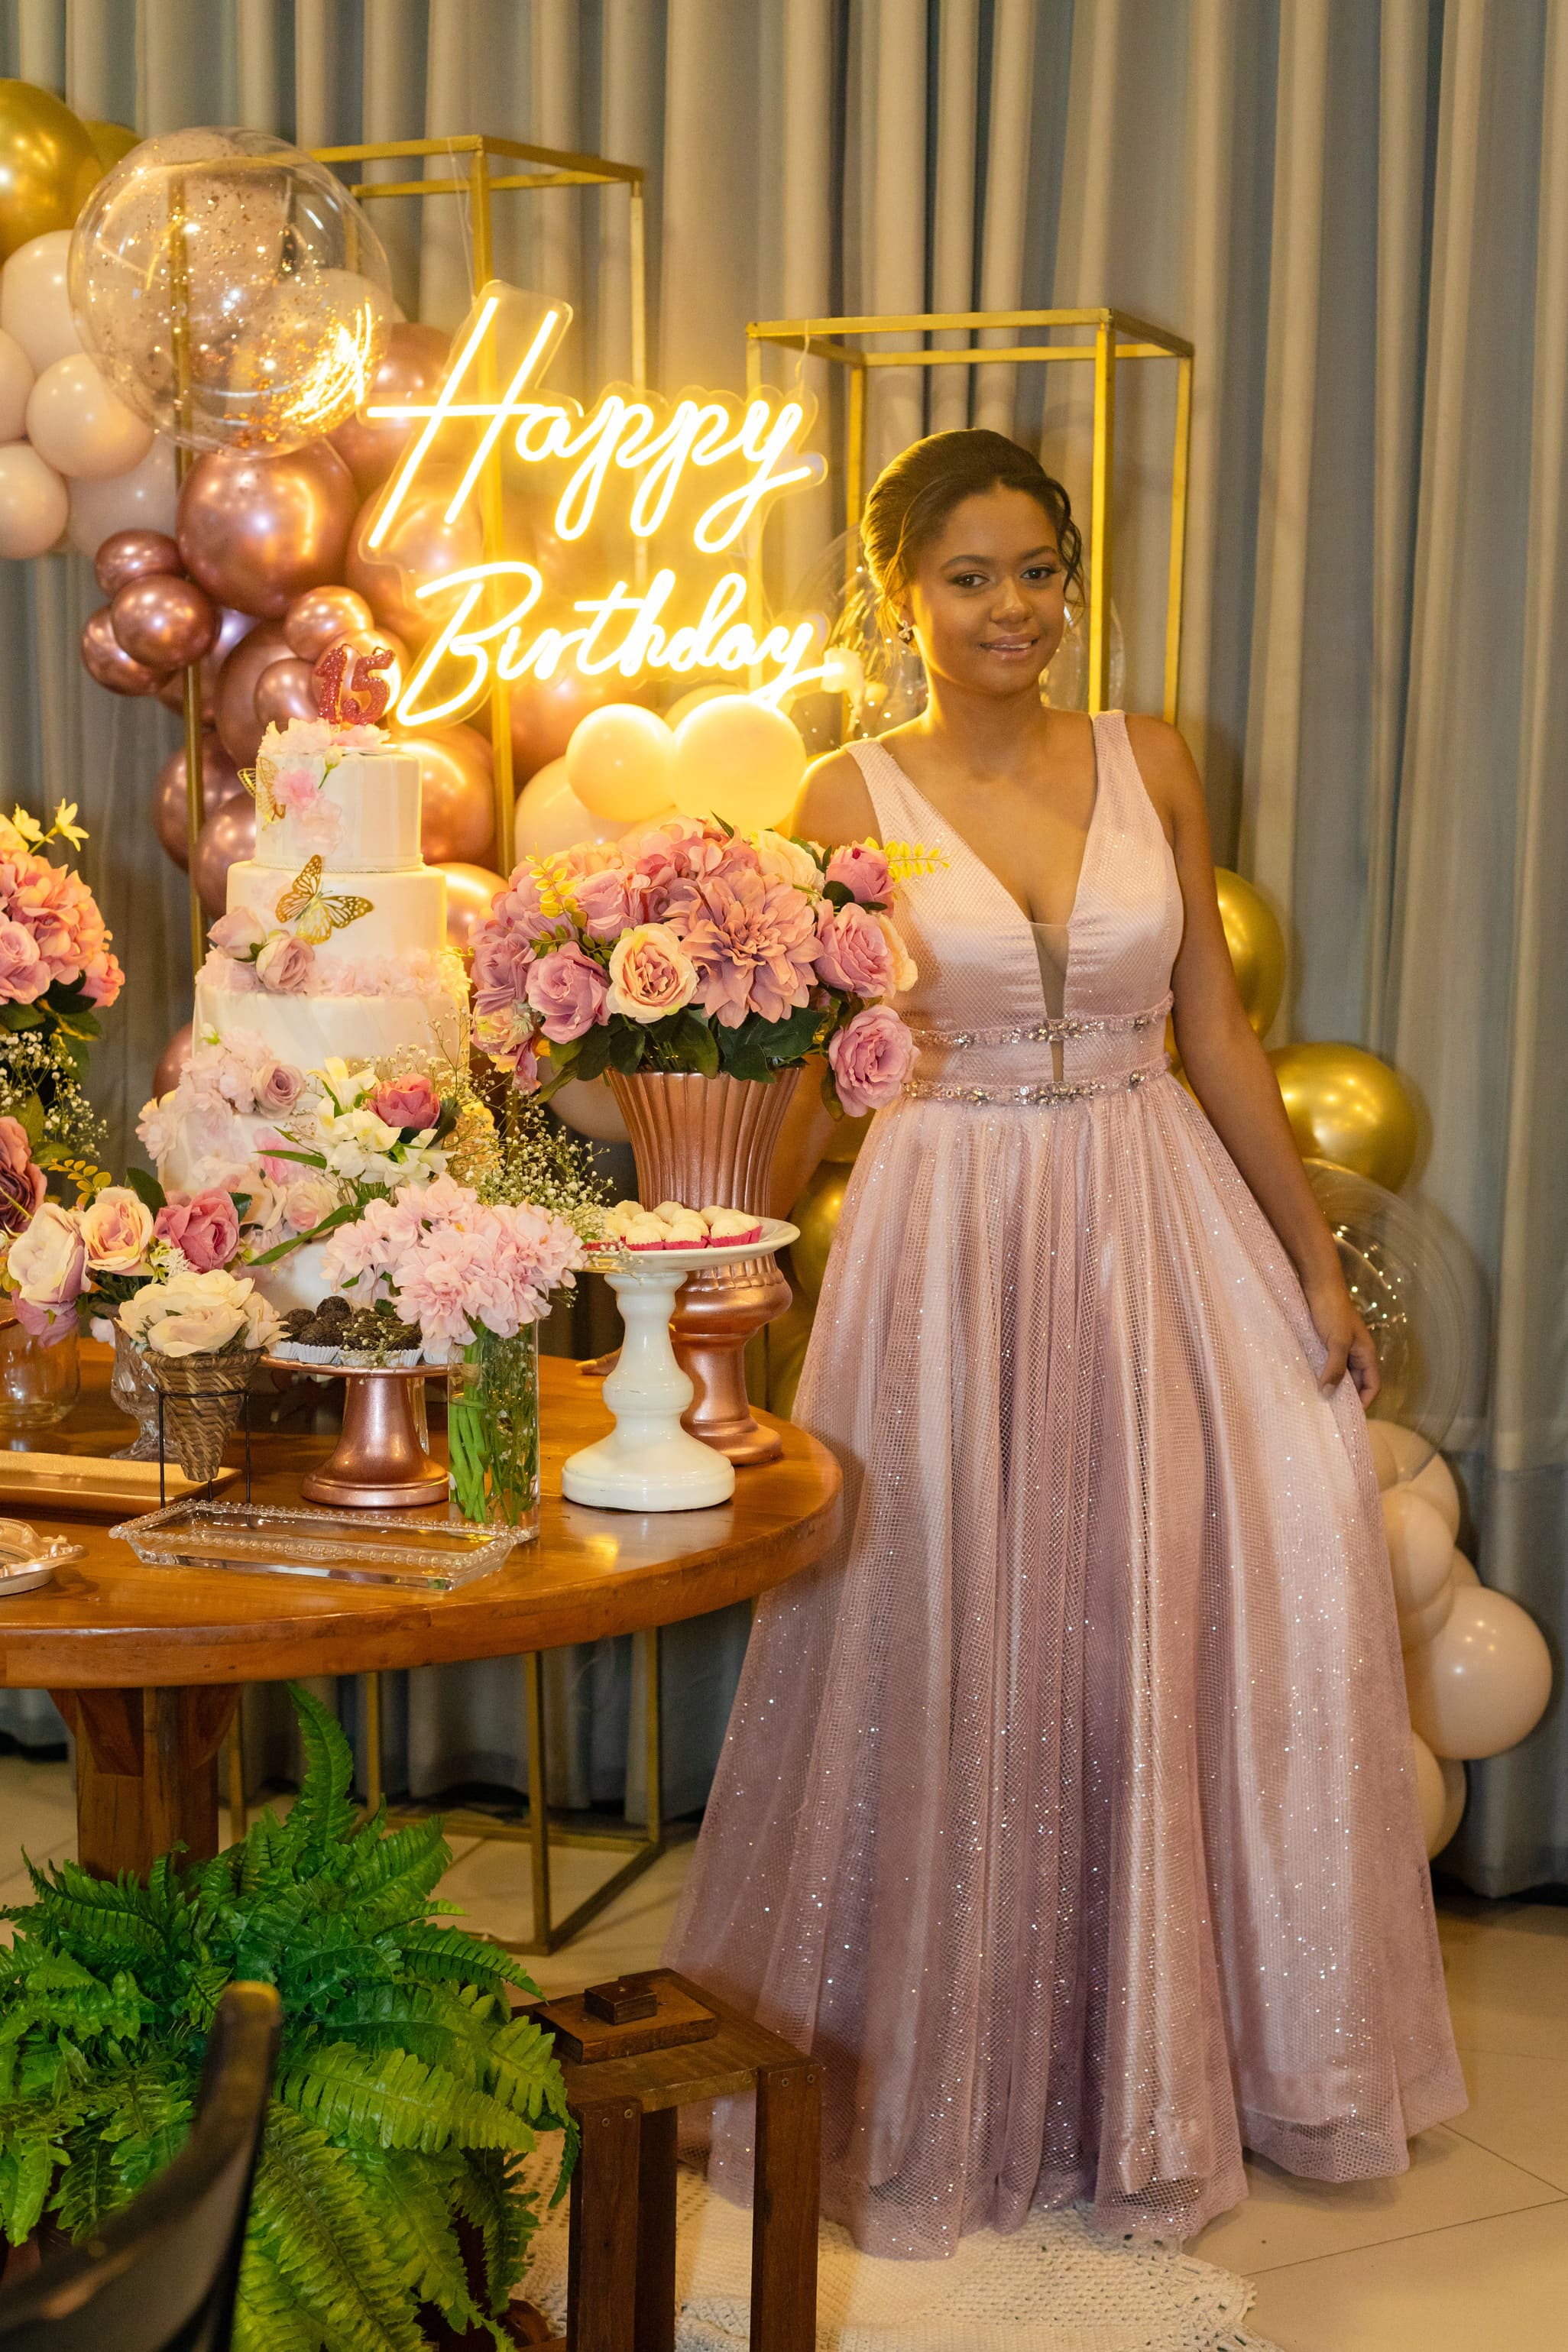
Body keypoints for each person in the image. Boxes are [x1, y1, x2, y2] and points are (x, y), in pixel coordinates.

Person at [665, 428, 1464, 2259]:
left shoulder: (1151, 759)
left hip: (1151, 1207)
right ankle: (966, 2060)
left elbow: (1220, 1034)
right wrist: (740, 1263)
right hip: (942, 1239)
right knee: (948, 1621)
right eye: (970, 576)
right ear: (899, 597)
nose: (1012, 608)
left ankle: (1167, 2069)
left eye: (1039, 570)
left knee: (1166, 1607)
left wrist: (1311, 1263)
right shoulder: (843, 796)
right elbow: (804, 1065)